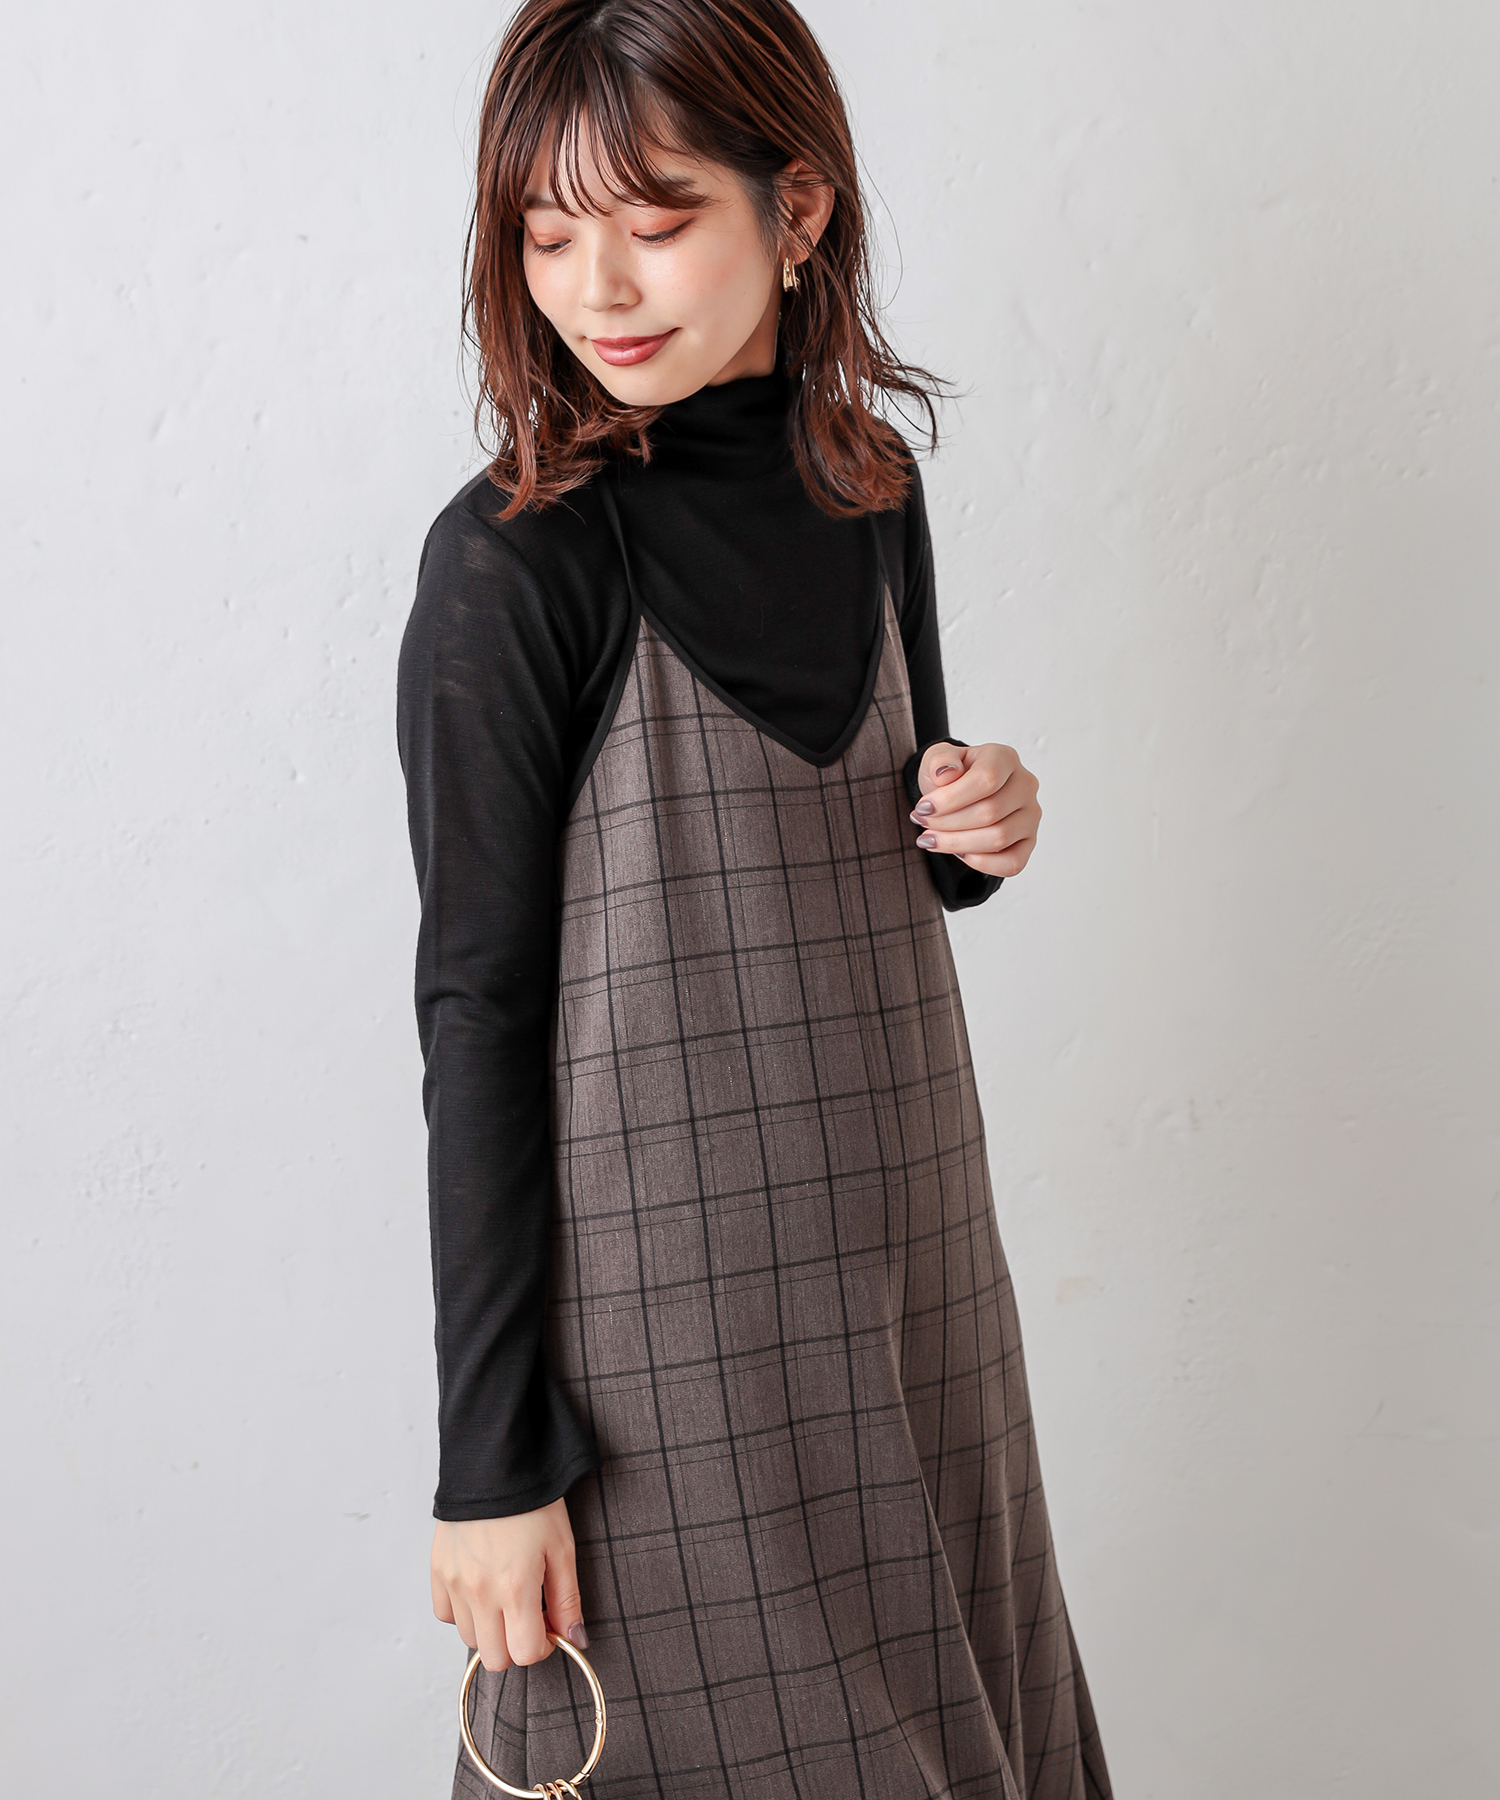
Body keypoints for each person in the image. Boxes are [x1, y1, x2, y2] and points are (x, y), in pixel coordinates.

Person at [396, 2, 1113, 1794]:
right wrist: (491, 1465)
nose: (596, 289)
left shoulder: (868, 483)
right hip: (669, 1331)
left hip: (914, 1263)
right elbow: (474, 1018)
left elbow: (904, 836)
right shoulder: (512, 563)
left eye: (655, 223)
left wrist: (982, 816)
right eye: (546, 236)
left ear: (796, 209)